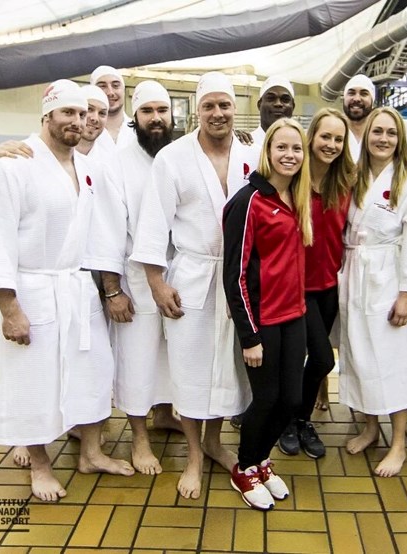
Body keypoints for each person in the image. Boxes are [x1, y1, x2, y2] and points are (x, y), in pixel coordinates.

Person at [0, 80, 134, 502]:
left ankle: (90, 452)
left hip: (77, 289)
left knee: (94, 368)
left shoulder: (84, 166)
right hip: (33, 290)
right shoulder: (13, 166)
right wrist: (9, 308)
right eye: (68, 113)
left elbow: (103, 228)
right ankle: (40, 465)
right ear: (46, 116)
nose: (77, 122)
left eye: (82, 114)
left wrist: (108, 288)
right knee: (33, 380)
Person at [131, 72, 258, 500]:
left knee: (226, 367)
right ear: (197, 112)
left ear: (234, 109)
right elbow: (153, 225)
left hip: (236, 280)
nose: (218, 113)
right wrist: (156, 282)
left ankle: (214, 441)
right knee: (188, 367)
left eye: (225, 105)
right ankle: (193, 457)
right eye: (209, 106)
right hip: (190, 277)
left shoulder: (251, 154)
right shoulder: (172, 157)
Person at [339, 107, 407, 477]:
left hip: (389, 279)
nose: (383, 139)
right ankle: (371, 426)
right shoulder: (353, 178)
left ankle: (399, 442)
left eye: (390, 133)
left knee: (394, 360)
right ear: (365, 136)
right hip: (356, 276)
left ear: (400, 140)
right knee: (360, 356)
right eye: (376, 132)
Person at [223, 118, 313, 510]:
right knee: (266, 399)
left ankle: (261, 458)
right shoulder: (248, 202)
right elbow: (235, 275)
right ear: (268, 151)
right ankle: (244, 466)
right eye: (282, 147)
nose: (290, 155)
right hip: (263, 320)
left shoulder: (298, 196)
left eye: (296, 148)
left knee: (292, 399)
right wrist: (249, 336)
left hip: (294, 315)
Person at [99, 80, 181, 475]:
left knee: (169, 354)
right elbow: (108, 229)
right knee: (137, 359)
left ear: (172, 115)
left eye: (161, 111)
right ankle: (140, 438)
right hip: (134, 279)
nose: (155, 119)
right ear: (134, 116)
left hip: (179, 274)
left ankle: (165, 414)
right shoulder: (118, 160)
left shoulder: (182, 152)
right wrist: (112, 289)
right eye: (147, 111)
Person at [277, 108, 355, 459]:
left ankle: (300, 420)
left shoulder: (346, 183)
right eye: (326, 137)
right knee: (321, 359)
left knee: (313, 359)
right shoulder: (294, 181)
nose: (332, 145)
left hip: (329, 287)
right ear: (312, 138)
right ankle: (289, 419)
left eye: (339, 139)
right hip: (297, 288)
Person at [90, 65, 135, 149]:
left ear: (123, 90)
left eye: (115, 86)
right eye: (102, 86)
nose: (110, 92)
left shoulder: (137, 131)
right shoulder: (84, 131)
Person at [251, 76, 295, 144]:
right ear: (259, 105)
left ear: (293, 106)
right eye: (271, 98)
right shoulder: (243, 144)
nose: (278, 104)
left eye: (285, 99)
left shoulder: (301, 145)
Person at [342, 74, 376, 162]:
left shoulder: (379, 134)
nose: (357, 98)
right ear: (344, 98)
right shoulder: (335, 131)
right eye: (351, 93)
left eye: (364, 94)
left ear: (372, 101)